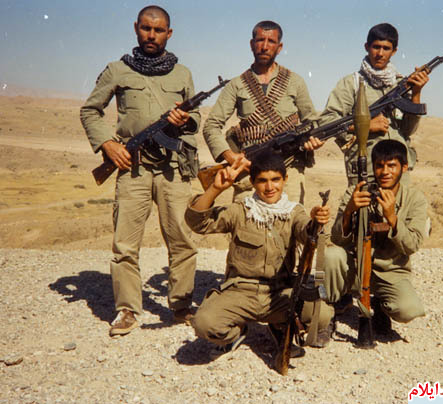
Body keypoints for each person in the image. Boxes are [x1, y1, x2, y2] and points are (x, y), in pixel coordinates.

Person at [80, 5, 200, 336]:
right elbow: (90, 111)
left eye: (158, 30)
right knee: (125, 244)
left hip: (172, 168)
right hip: (132, 166)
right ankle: (127, 310)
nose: (151, 35)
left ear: (169, 34)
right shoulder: (117, 70)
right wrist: (108, 144)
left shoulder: (182, 73)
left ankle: (181, 306)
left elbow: (196, 118)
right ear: (136, 28)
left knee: (182, 239)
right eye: (146, 28)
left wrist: (184, 119)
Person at [184, 152, 335, 359]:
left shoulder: (293, 212)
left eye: (275, 179)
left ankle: (279, 325)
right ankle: (236, 333)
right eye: (262, 181)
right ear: (253, 183)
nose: (270, 187)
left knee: (322, 315)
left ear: (285, 179)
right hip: (240, 291)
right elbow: (198, 223)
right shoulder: (241, 211)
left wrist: (316, 221)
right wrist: (215, 189)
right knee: (204, 324)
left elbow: (306, 231)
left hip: (278, 293)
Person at [203, 20, 323, 204]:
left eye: (271, 41)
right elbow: (211, 125)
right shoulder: (237, 84)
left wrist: (313, 140)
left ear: (279, 47)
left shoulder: (295, 82)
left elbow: (312, 122)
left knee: (290, 220)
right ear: (252, 44)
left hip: (288, 171)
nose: (265, 46)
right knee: (245, 220)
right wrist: (230, 156)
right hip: (250, 172)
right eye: (260, 40)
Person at [324, 139, 428, 337]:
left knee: (409, 309)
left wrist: (392, 218)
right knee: (332, 256)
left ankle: (381, 305)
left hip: (390, 271)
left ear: (404, 167)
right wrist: (349, 211)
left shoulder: (415, 199)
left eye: (392, 166)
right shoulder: (355, 192)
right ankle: (328, 313)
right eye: (380, 165)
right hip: (355, 268)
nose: (385, 172)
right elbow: (337, 239)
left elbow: (412, 245)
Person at [319, 23, 429, 186]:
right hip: (366, 168)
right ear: (367, 47)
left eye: (386, 48)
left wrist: (416, 93)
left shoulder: (400, 84)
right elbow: (327, 121)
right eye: (376, 47)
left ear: (394, 51)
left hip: (397, 171)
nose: (380, 53)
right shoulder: (351, 83)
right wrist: (366, 125)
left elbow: (408, 130)